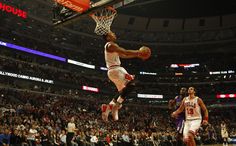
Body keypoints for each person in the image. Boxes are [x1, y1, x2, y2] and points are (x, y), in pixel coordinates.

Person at [101, 31, 150, 122]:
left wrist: (137, 55)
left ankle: (109, 107)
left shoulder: (112, 47)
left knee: (124, 91)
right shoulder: (110, 45)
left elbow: (123, 55)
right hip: (116, 70)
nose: (114, 34)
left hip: (114, 71)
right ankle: (116, 106)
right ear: (107, 37)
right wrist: (139, 52)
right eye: (112, 33)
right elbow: (125, 52)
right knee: (132, 84)